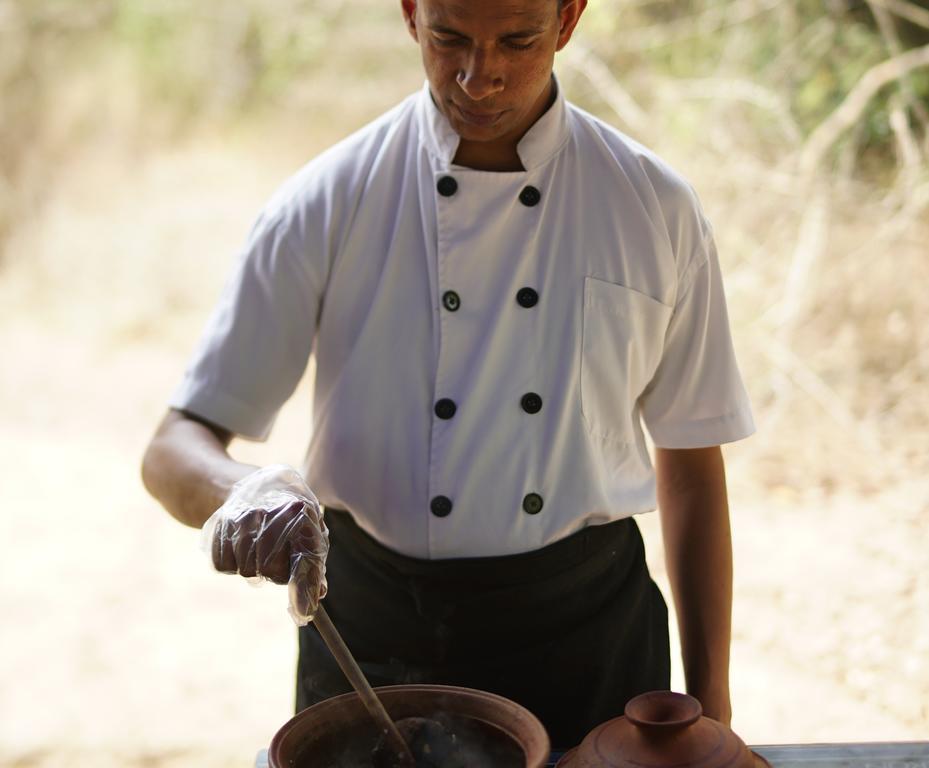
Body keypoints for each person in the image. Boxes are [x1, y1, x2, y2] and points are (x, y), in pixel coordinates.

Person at [141, 0, 755, 750]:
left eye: (517, 41)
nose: (479, 75)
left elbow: (690, 460)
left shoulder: (653, 207)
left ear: (567, 20)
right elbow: (173, 446)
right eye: (449, 38)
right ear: (409, 15)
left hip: (586, 630)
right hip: (372, 632)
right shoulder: (326, 200)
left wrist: (712, 708)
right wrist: (245, 492)